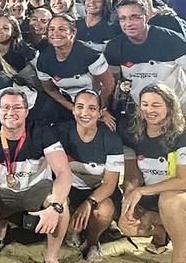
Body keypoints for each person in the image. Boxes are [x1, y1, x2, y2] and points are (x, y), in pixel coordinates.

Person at [0, 88, 72, 263]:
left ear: (27, 111)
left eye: (17, 107)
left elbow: (64, 172)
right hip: (4, 193)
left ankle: (51, 258)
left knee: (61, 207)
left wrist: (55, 206)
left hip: (36, 189)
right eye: (5, 107)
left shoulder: (43, 133)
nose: (10, 112)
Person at [119, 83, 186, 263]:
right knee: (127, 227)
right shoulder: (134, 135)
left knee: (170, 199)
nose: (149, 110)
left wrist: (140, 191)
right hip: (153, 196)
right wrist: (129, 194)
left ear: (170, 107)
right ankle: (163, 229)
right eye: (145, 104)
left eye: (156, 105)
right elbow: (133, 175)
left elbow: (183, 182)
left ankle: (179, 257)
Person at [104, 0, 186, 126]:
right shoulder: (114, 47)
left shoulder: (171, 39)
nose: (128, 23)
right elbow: (110, 83)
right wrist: (107, 110)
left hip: (176, 116)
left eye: (134, 17)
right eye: (123, 18)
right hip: (140, 117)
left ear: (147, 16)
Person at [56, 90, 124, 262]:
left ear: (100, 113)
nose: (85, 113)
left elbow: (109, 184)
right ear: (73, 110)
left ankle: (93, 242)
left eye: (92, 108)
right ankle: (71, 232)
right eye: (79, 107)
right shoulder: (60, 133)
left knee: (104, 210)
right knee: (56, 204)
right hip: (70, 188)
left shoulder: (111, 140)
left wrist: (89, 203)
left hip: (98, 190)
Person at [36, 14, 115, 127]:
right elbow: (51, 90)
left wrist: (99, 109)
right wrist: (73, 108)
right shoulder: (43, 60)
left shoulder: (90, 55)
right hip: (68, 106)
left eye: (62, 29)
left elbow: (108, 85)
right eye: (51, 29)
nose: (55, 33)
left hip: (96, 103)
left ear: (73, 32)